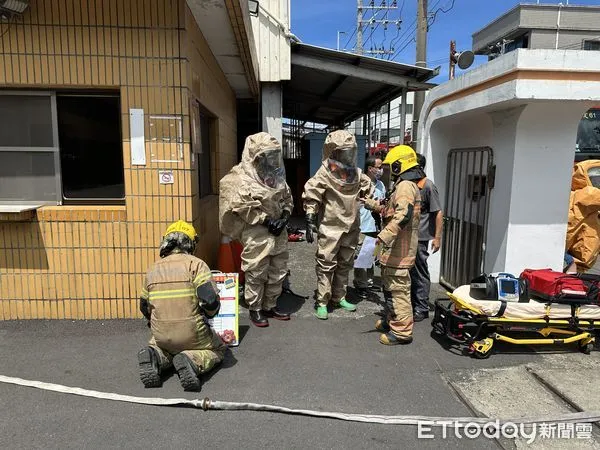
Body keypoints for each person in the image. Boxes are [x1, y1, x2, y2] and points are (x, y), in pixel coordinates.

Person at [137, 220, 226, 391]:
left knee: (165, 348)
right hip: (193, 334)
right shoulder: (196, 265)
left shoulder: (152, 269)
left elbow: (144, 306)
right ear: (191, 243)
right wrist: (210, 314)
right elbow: (209, 301)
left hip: (162, 335)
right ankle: (192, 360)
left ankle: (154, 356)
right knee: (219, 348)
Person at [219, 132, 293, 328]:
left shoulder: (276, 175)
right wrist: (267, 221)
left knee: (278, 269)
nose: (271, 159)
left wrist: (284, 217)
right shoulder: (241, 178)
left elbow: (287, 198)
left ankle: (270, 304)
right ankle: (255, 308)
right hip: (256, 232)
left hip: (279, 231)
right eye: (268, 155)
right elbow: (241, 205)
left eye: (274, 155)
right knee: (256, 270)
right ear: (257, 156)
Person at [303, 130, 374, 320]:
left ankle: (339, 296)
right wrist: (310, 219)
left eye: (350, 152)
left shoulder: (357, 174)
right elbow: (312, 194)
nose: (347, 156)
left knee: (345, 264)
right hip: (330, 226)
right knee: (326, 264)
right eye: (344, 152)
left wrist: (376, 204)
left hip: (351, 226)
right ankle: (322, 301)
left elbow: (370, 191)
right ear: (334, 152)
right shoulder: (325, 172)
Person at [364, 145, 422, 345]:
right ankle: (392, 321)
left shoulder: (406, 186)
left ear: (399, 165)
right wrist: (371, 204)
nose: (385, 170)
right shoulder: (403, 185)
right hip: (394, 250)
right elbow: (390, 211)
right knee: (389, 289)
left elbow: (402, 216)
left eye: (389, 166)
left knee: (398, 291)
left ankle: (402, 332)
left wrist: (383, 237)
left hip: (399, 250)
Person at [410, 153, 443, 322]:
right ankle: (411, 304)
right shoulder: (407, 184)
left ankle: (421, 308)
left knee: (419, 272)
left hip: (421, 238)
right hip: (407, 236)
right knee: (409, 272)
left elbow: (437, 213)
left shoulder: (428, 186)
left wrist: (437, 238)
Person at [353, 156, 386, 299]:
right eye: (378, 167)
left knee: (372, 255)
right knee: (361, 257)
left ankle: (369, 282)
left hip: (376, 227)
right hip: (362, 226)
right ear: (370, 168)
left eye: (381, 167)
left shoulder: (381, 185)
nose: (381, 170)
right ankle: (361, 284)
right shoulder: (360, 184)